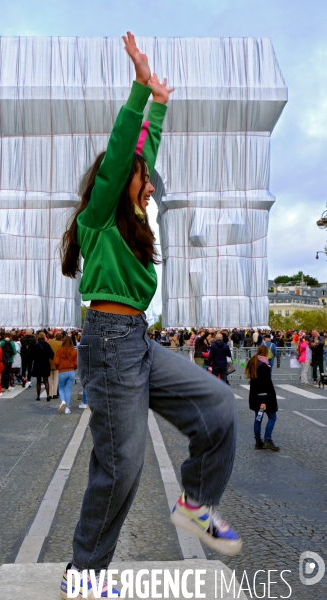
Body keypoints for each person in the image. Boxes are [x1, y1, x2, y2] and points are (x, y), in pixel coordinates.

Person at [59, 32, 241, 598]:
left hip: (137, 340)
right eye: (141, 183)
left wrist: (160, 105)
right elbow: (124, 154)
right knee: (123, 470)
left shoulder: (133, 224)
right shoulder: (100, 219)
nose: (147, 190)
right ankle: (84, 575)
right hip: (108, 344)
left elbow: (144, 153)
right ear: (116, 186)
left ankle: (195, 504)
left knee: (218, 408)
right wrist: (139, 92)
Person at [245, 345, 280, 451]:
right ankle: (267, 440)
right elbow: (264, 384)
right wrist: (264, 401)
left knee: (258, 418)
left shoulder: (254, 362)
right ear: (265, 353)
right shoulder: (263, 366)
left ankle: (258, 441)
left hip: (255, 396)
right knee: (272, 417)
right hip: (265, 397)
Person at [54, 336, 78, 414]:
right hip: (71, 371)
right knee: (68, 389)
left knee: (61, 388)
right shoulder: (74, 351)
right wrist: (73, 368)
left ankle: (63, 401)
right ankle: (67, 408)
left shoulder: (59, 351)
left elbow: (56, 362)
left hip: (62, 371)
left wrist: (58, 367)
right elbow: (75, 363)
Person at [32, 332, 54, 401]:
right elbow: (52, 355)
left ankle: (38, 396)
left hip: (37, 364)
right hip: (45, 364)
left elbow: (32, 355)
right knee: (46, 380)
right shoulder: (47, 345)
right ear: (44, 337)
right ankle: (48, 395)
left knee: (38, 381)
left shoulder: (35, 345)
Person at [49, 332, 63, 399]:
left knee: (50, 378)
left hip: (49, 362)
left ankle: (50, 393)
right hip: (57, 362)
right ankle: (55, 393)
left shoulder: (49, 342)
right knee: (56, 379)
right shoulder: (60, 343)